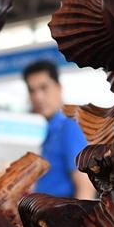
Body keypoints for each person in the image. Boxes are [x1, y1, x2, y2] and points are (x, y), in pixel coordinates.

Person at [22, 60, 95, 199]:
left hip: (64, 210)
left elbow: (85, 187)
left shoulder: (69, 126)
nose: (38, 97)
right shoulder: (52, 131)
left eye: (44, 87)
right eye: (32, 91)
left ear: (59, 87)